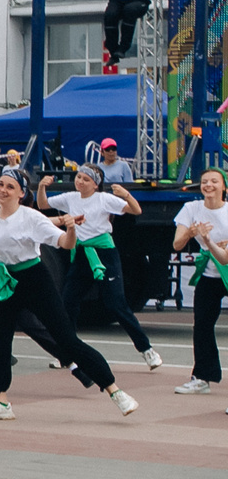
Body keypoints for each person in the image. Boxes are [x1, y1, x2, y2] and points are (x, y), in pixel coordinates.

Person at [0, 168, 136, 421]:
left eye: (10, 187)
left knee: (66, 338)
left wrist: (70, 229)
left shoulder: (31, 217)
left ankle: (114, 390)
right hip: (6, 281)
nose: (2, 189)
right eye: (0, 184)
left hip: (34, 278)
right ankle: (0, 403)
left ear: (22, 194)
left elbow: (65, 244)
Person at [42, 164, 160, 371]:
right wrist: (42, 187)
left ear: (95, 185)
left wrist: (126, 195)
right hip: (80, 253)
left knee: (116, 303)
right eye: (79, 177)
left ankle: (146, 350)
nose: (80, 181)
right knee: (68, 302)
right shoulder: (70, 197)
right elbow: (43, 205)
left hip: (103, 253)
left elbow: (136, 210)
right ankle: (68, 354)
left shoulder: (104, 199)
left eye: (86, 179)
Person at [172, 169, 228, 395]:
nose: (209, 185)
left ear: (224, 187)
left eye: (215, 181)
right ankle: (203, 376)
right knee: (203, 325)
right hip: (209, 273)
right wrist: (191, 233)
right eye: (204, 181)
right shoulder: (191, 209)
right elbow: (177, 244)